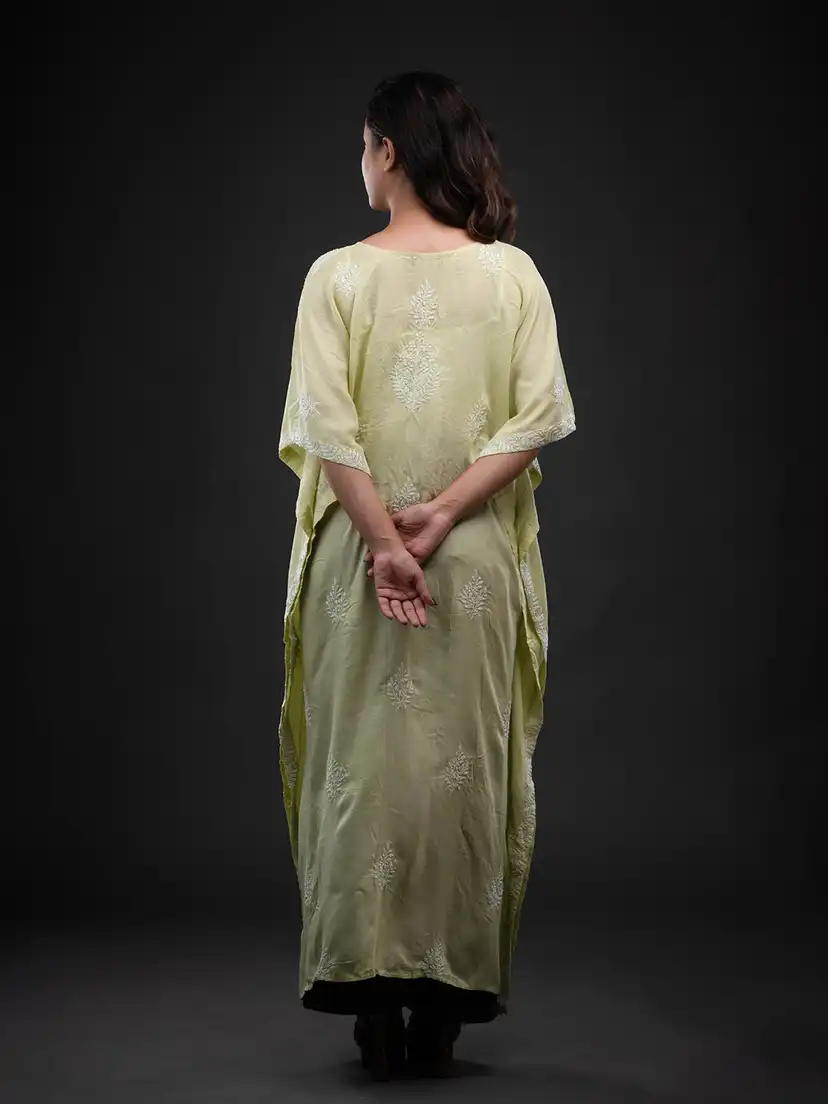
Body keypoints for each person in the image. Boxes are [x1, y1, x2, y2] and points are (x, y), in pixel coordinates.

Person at [277, 70, 577, 1080]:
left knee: (360, 767)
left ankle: (367, 993)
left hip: (361, 560)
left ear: (390, 152)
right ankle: (446, 1000)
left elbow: (327, 426)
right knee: (463, 771)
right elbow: (537, 417)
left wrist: (385, 540)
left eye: (364, 145)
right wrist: (446, 514)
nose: (359, 162)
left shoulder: (335, 277)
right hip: (473, 556)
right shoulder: (514, 276)